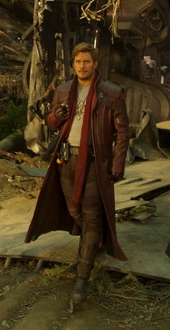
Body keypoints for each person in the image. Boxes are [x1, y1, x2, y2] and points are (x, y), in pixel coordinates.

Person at [25, 42, 129, 309]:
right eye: (78, 62)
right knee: (75, 211)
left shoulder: (111, 93)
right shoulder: (62, 90)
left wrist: (118, 163)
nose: (82, 66)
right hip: (67, 160)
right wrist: (56, 116)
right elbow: (50, 123)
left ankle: (82, 277)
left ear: (95, 64)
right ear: (73, 64)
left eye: (87, 62)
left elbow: (122, 133)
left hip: (95, 162)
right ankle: (94, 242)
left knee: (91, 216)